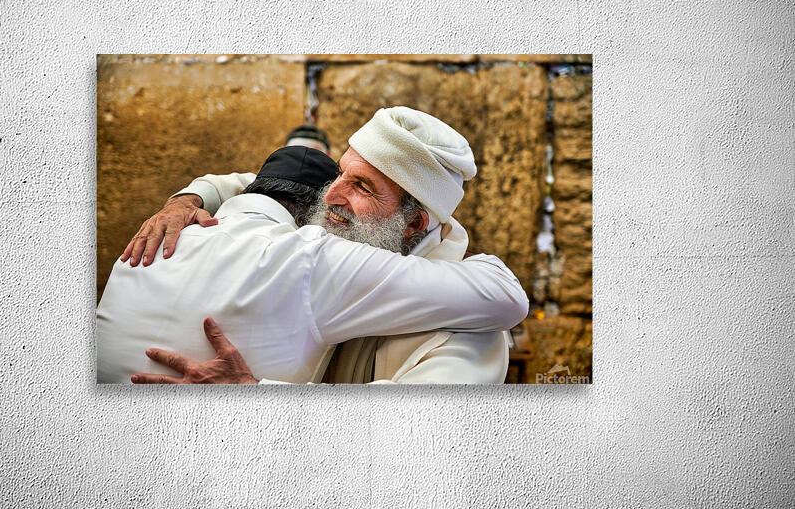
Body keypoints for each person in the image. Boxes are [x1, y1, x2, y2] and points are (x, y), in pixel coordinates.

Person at [120, 106, 525, 384]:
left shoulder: (467, 326)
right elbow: (262, 183)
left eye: (362, 186)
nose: (330, 195)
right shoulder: (344, 234)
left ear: (412, 224)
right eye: (341, 173)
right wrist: (187, 201)